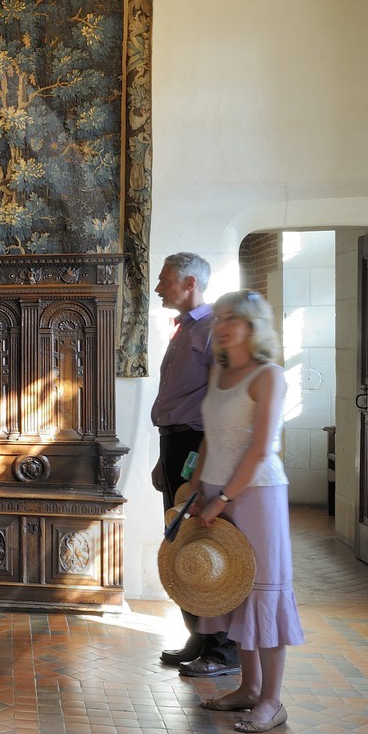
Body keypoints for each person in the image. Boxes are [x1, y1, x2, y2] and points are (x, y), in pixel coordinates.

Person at [186, 290, 305, 733]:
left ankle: (272, 701)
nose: (221, 326)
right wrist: (197, 485)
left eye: (231, 318)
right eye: (218, 318)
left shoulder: (268, 375)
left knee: (263, 593)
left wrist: (223, 498)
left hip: (256, 494)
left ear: (253, 325)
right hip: (217, 489)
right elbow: (210, 437)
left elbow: (259, 451)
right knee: (233, 590)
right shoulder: (220, 370)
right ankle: (249, 688)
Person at [151, 253, 239, 678]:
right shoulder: (184, 328)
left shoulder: (212, 330)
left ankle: (223, 648)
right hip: (176, 445)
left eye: (164, 280)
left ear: (190, 283)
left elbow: (219, 402)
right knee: (180, 539)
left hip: (197, 446)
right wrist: (163, 458)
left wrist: (204, 461)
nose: (157, 288)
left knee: (207, 539)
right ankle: (199, 636)